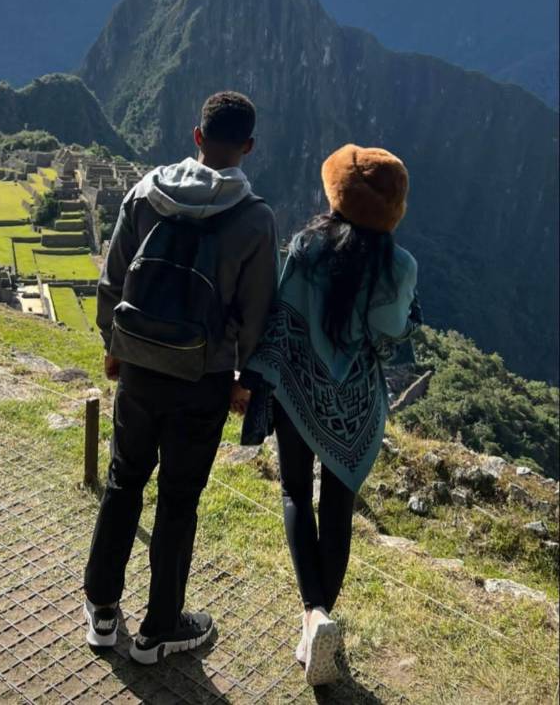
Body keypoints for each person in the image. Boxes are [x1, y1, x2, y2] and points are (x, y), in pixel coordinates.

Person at [83, 91, 279, 664]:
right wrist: (246, 379)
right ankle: (159, 629)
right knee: (178, 501)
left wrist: (112, 347)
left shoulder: (147, 192)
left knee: (123, 481)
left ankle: (100, 610)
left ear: (196, 136)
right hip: (204, 378)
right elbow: (257, 310)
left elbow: (112, 279)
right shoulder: (256, 219)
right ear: (248, 147)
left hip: (140, 367)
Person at [238, 143, 420, 687]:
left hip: (299, 388)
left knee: (296, 493)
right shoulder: (399, 265)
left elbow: (282, 312)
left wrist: (258, 375)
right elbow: (391, 331)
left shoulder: (307, 244)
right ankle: (318, 624)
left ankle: (312, 610)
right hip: (357, 403)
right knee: (337, 506)